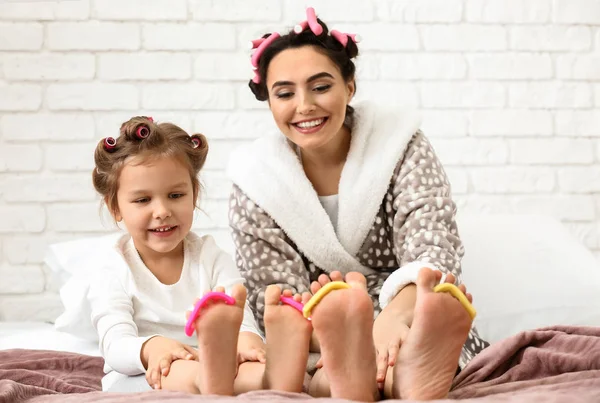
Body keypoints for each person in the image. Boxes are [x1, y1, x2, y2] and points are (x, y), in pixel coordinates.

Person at [227, 7, 489, 401]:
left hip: (408, 312)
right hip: (322, 329)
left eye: (320, 86)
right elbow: (277, 296)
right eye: (285, 93)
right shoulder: (256, 180)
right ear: (269, 102)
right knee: (309, 365)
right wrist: (355, 330)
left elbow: (433, 246)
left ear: (349, 86)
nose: (304, 106)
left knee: (424, 319)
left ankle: (409, 369)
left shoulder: (400, 145)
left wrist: (392, 322)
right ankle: (386, 375)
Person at [89, 116, 311, 395]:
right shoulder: (111, 266)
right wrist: (152, 347)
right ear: (115, 208)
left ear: (194, 195)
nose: (162, 211)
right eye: (143, 200)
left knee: (251, 370)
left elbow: (240, 316)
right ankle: (209, 380)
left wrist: (248, 341)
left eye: (175, 195)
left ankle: (277, 378)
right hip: (143, 375)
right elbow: (114, 345)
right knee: (180, 372)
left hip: (219, 363)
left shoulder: (210, 256)